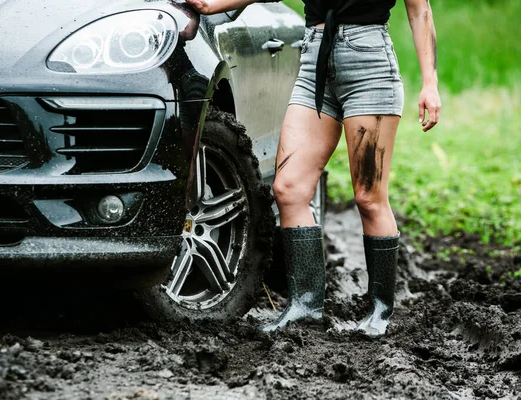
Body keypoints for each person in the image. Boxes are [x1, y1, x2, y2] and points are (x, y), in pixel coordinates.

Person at [186, 0, 441, 337]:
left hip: (369, 66)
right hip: (313, 62)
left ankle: (380, 310)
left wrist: (430, 83)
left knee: (368, 198)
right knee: (288, 188)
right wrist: (210, 4)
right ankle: (305, 308)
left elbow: (419, 9)